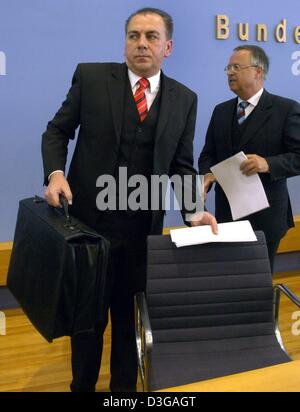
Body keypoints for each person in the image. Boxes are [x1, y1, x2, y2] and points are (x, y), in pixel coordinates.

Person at [42, 8, 217, 392]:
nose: (142, 43)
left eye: (151, 37)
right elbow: (57, 132)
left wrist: (194, 211)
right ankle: (81, 387)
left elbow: (181, 165)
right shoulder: (90, 78)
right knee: (87, 322)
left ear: (167, 47)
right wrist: (55, 174)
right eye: (134, 35)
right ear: (124, 42)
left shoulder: (185, 99)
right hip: (87, 229)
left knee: (128, 322)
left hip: (141, 234)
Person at [198, 45, 300, 271]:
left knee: (258, 286)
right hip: (226, 215)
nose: (229, 72)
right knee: (230, 283)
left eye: (236, 67)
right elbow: (208, 154)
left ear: (258, 71)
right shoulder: (221, 111)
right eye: (228, 68)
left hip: (267, 217)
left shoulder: (286, 109)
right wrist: (206, 174)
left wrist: (268, 164)